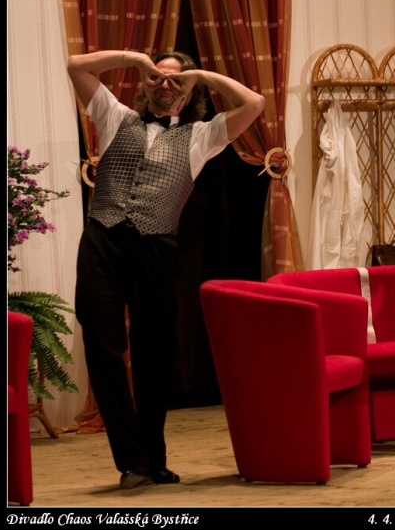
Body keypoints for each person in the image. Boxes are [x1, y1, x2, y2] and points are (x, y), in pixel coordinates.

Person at [67, 50, 265, 489]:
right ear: (144, 83)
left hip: (155, 247)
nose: (165, 84)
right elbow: (76, 65)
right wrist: (135, 58)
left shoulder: (203, 135)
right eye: (157, 77)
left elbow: (254, 103)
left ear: (190, 90)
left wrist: (200, 74)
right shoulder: (116, 116)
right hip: (102, 239)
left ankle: (152, 460)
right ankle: (133, 460)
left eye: (176, 79)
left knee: (154, 354)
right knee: (102, 344)